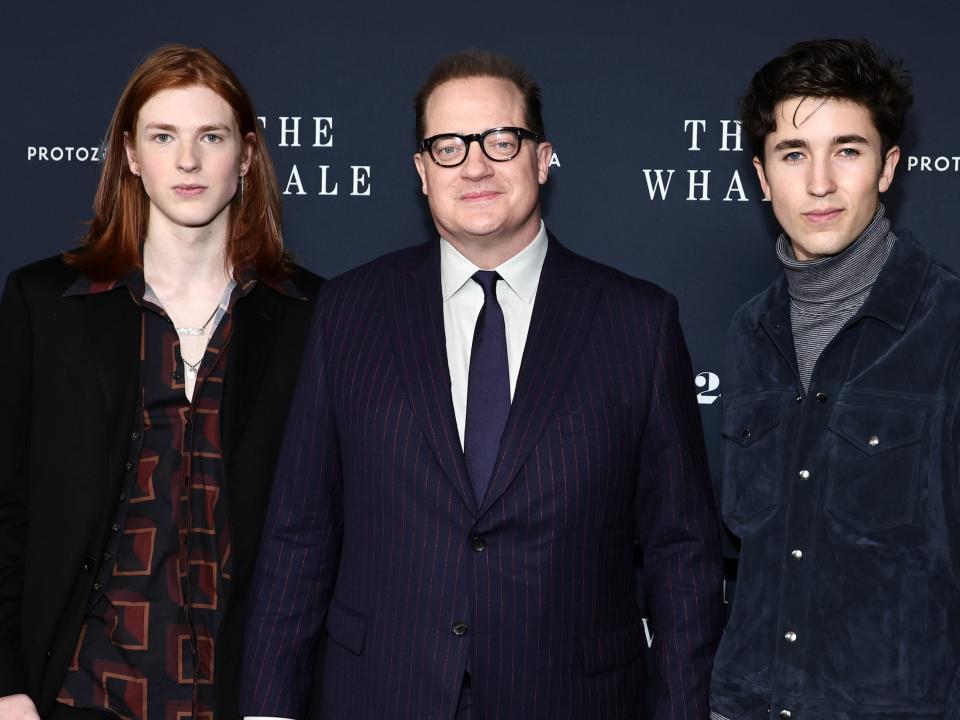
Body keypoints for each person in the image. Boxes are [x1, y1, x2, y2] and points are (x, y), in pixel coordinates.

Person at [240, 48, 723, 720]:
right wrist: (268, 708)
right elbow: (300, 529)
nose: (474, 164)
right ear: (421, 172)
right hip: (381, 694)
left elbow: (683, 550)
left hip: (572, 699)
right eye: (448, 146)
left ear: (543, 158)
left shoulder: (636, 321)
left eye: (501, 140)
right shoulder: (349, 311)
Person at [0, 45, 322, 720]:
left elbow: (328, 530)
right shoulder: (47, 304)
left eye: (211, 136)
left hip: (249, 697)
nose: (187, 161)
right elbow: (6, 503)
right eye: (163, 136)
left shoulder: (311, 316)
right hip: (82, 692)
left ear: (248, 155)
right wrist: (7, 686)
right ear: (131, 155)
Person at [710, 39, 960, 719]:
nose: (819, 183)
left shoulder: (947, 325)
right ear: (762, 177)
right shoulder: (746, 332)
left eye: (847, 150)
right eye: (793, 153)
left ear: (888, 168)